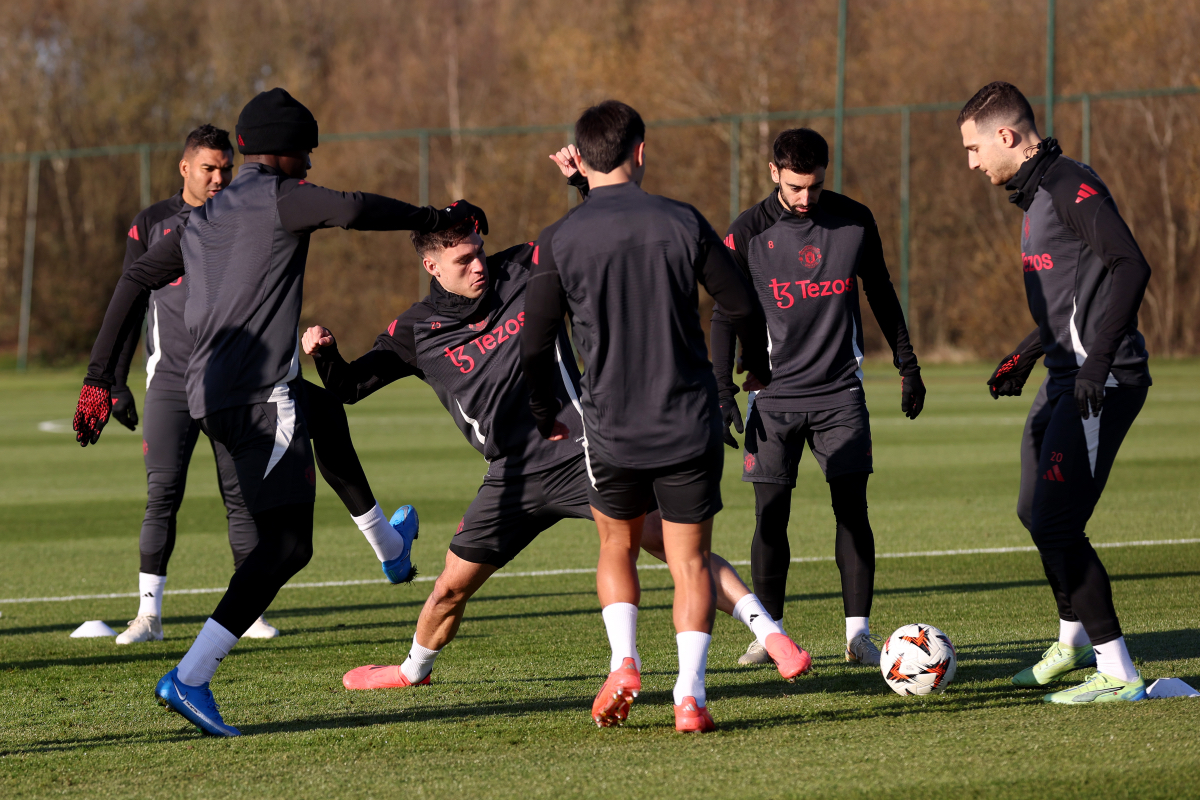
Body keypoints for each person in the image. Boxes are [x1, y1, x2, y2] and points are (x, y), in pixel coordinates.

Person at [307, 151, 809, 697]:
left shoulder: (524, 268)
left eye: (479, 253)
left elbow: (595, 233)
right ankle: (410, 670)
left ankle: (773, 635)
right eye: (463, 261)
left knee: (674, 547)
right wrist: (326, 354)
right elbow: (348, 389)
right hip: (512, 478)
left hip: (584, 449)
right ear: (432, 267)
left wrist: (580, 184)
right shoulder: (415, 330)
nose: (479, 266)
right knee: (450, 588)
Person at [73, 87, 487, 736]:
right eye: (307, 153)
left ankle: (389, 545)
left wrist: (100, 376)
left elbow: (133, 280)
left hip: (212, 397)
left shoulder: (200, 218)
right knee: (288, 546)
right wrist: (437, 215)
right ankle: (190, 677)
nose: (311, 166)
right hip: (259, 398)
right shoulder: (278, 196)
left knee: (323, 413)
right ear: (283, 152)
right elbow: (352, 210)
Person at [521, 102, 778, 733]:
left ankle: (625, 661)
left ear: (579, 159)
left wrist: (540, 410)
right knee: (691, 563)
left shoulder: (559, 238)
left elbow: (533, 340)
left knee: (617, 545)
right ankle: (689, 696)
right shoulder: (681, 220)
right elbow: (742, 306)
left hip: (609, 427)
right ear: (642, 150)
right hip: (688, 421)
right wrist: (753, 369)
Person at [958, 81, 1152, 703]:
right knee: (1032, 508)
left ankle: (1119, 672)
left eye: (974, 147)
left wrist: (1095, 365)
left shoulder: (1070, 185)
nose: (972, 162)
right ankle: (1072, 641)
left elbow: (1131, 265)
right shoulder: (1037, 194)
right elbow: (1071, 300)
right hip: (1064, 374)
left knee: (1058, 519)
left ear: (1007, 137)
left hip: (1102, 380)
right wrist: (1028, 350)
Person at [711, 128, 925, 669]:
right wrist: (720, 389)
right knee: (769, 517)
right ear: (773, 172)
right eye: (796, 186)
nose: (807, 197)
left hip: (839, 395)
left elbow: (880, 290)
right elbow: (723, 313)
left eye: (816, 185)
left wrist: (908, 364)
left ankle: (858, 635)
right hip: (773, 396)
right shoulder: (746, 233)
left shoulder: (854, 220)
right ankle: (771, 633)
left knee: (852, 512)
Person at [108, 125, 277, 644]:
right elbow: (130, 300)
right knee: (162, 494)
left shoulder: (246, 218)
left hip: (231, 381)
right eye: (209, 168)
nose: (219, 177)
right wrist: (114, 380)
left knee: (243, 498)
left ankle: (248, 615)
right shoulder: (152, 223)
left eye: (226, 167)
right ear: (185, 168)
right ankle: (149, 618)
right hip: (170, 383)